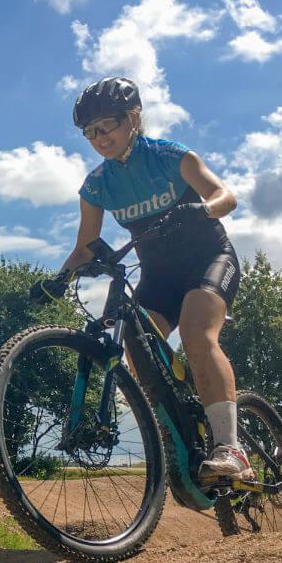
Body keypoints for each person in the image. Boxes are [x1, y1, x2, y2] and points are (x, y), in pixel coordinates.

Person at [55, 76, 254, 481]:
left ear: (132, 118)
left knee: (198, 334)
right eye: (89, 132)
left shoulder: (170, 156)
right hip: (159, 276)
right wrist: (56, 280)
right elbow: (85, 246)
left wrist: (203, 209)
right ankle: (173, 429)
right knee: (137, 346)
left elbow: (225, 196)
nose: (98, 137)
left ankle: (232, 449)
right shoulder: (97, 184)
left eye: (106, 126)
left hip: (208, 260)